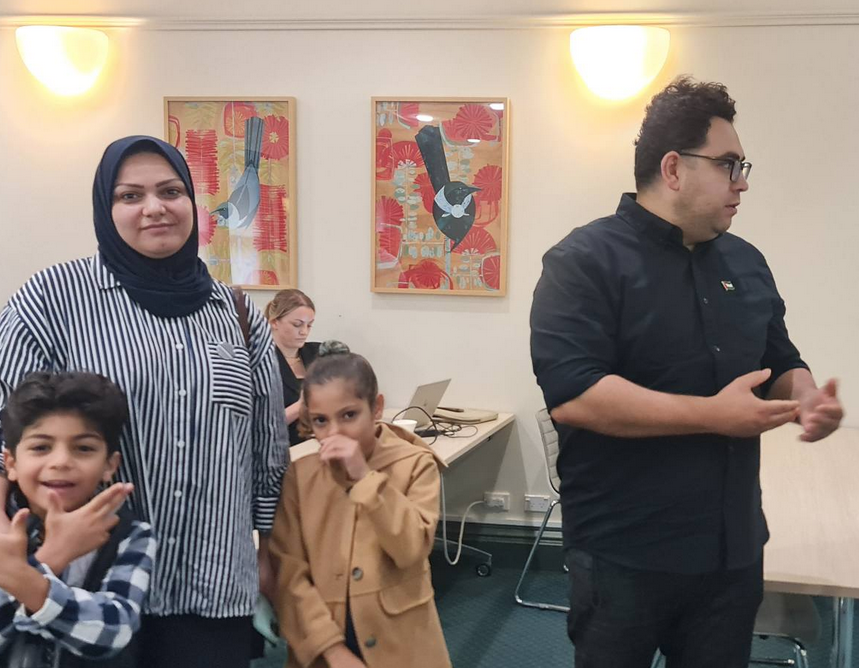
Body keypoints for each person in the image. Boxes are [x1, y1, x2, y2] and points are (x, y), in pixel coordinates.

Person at [530, 76, 843, 668]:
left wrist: (804, 395)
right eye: (729, 165)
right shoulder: (582, 262)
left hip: (731, 549)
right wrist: (714, 417)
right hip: (625, 552)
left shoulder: (747, 262)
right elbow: (576, 395)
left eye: (743, 166)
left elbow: (779, 359)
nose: (742, 182)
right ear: (673, 169)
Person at [0, 135, 289, 668]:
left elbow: (267, 451)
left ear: (192, 202)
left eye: (171, 191)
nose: (154, 208)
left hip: (212, 583)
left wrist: (272, 553)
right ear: (106, 210)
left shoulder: (237, 314)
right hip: (83, 584)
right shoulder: (53, 299)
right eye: (130, 196)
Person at [0, 371, 156, 668]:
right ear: (11, 463)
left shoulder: (129, 535)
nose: (61, 461)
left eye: (84, 448)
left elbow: (111, 632)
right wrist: (53, 557)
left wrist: (21, 577)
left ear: (109, 464)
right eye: (41, 447)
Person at [269, 341, 452, 668]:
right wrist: (332, 650)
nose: (334, 432)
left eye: (349, 415)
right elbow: (289, 575)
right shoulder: (300, 477)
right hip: (326, 645)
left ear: (377, 408)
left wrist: (365, 478)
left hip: (402, 645)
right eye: (320, 421)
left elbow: (411, 549)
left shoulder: (415, 464)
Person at [266, 289, 320, 446]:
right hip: (280, 449)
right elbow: (258, 427)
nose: (304, 332)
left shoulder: (318, 354)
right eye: (297, 324)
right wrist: (300, 406)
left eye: (309, 325)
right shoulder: (259, 362)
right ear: (274, 322)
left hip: (317, 447)